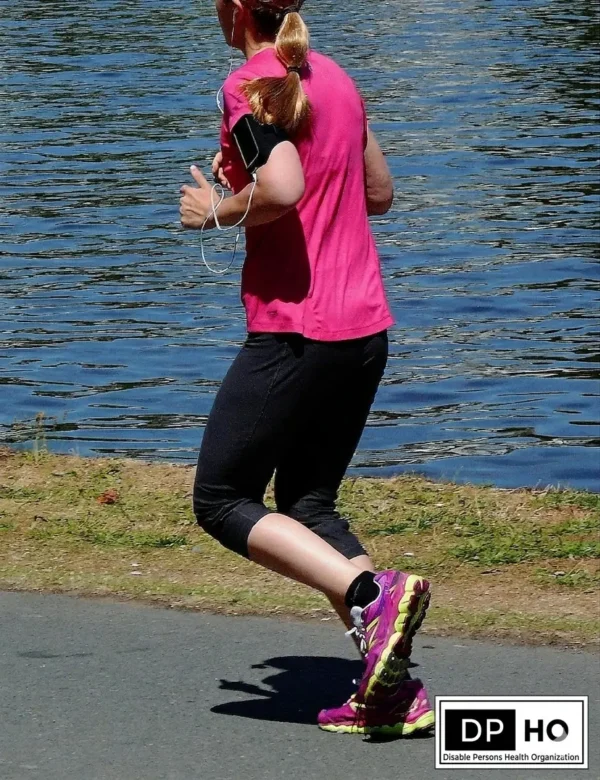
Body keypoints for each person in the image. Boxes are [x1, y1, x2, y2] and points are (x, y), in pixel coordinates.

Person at [179, 0, 434, 736]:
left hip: (297, 331)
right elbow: (378, 194)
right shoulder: (338, 79)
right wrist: (259, 187)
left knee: (221, 498)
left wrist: (215, 210)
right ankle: (390, 689)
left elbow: (285, 186)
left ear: (236, 9)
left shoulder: (249, 84)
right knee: (308, 507)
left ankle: (371, 594)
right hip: (364, 330)